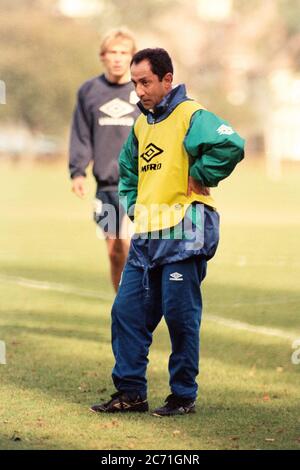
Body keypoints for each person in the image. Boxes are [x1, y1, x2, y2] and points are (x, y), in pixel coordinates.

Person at [90, 48, 245, 416]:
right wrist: (133, 203)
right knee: (126, 312)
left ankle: (182, 396)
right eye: (135, 83)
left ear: (167, 80)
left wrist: (203, 173)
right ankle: (131, 393)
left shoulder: (191, 115)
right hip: (146, 235)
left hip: (186, 230)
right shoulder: (142, 124)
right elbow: (127, 169)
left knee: (179, 317)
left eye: (145, 82)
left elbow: (231, 143)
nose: (139, 91)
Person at [69, 28, 140, 292]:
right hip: (107, 185)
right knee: (114, 251)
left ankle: (140, 308)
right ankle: (123, 306)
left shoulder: (141, 90)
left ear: (133, 57)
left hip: (139, 184)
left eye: (124, 53)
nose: (118, 58)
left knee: (132, 246)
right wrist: (77, 171)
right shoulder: (90, 91)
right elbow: (81, 133)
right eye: (113, 52)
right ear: (103, 56)